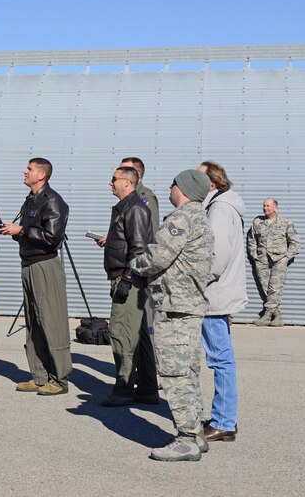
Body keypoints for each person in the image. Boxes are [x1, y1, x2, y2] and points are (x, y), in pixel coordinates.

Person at [130, 169, 214, 461]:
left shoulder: (182, 218)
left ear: (186, 188)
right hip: (187, 305)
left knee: (175, 373)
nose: (170, 187)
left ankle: (187, 439)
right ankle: (196, 433)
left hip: (175, 305)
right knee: (188, 372)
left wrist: (135, 264)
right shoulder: (200, 217)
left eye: (174, 183)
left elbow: (157, 256)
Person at [0, 158, 72, 396]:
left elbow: (51, 236)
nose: (24, 171)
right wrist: (14, 230)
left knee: (51, 321)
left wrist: (21, 230)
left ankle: (59, 379)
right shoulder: (32, 200)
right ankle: (39, 375)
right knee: (34, 323)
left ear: (41, 175)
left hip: (45, 266)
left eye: (29, 169)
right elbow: (31, 234)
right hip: (29, 264)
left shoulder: (53, 201)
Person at [99, 165, 158, 407]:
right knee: (139, 333)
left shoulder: (134, 208)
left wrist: (125, 280)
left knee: (121, 333)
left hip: (129, 281)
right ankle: (147, 389)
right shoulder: (126, 207)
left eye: (113, 179)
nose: (110, 183)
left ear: (127, 182)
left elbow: (138, 249)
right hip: (127, 278)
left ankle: (123, 387)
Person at [198, 162, 247, 442]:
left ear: (212, 183)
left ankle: (224, 421)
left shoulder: (219, 208)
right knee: (222, 358)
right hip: (218, 292)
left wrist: (194, 280)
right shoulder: (220, 205)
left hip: (214, 294)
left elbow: (215, 258)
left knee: (220, 359)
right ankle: (224, 418)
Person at [248, 198, 301, 326]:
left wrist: (286, 257)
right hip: (262, 260)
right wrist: (254, 255)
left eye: (268, 206)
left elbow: (295, 242)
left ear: (275, 208)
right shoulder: (257, 222)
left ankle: (267, 316)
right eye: (264, 205)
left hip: (279, 260)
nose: (265, 208)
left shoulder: (285, 223)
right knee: (266, 287)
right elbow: (252, 240)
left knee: (275, 288)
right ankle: (277, 316)